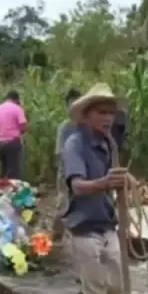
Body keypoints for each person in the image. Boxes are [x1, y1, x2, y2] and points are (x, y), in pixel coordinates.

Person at [60, 83, 133, 294]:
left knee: (115, 285)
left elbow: (115, 177)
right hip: (83, 225)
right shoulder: (75, 144)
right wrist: (104, 183)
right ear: (86, 115)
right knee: (95, 292)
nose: (108, 118)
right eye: (101, 112)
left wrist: (125, 181)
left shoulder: (107, 143)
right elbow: (77, 186)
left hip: (105, 221)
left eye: (111, 113)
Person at [52, 87, 82, 239]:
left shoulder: (86, 126)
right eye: (71, 105)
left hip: (83, 174)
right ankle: (56, 235)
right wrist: (65, 174)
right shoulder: (65, 127)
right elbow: (59, 153)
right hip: (66, 172)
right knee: (63, 204)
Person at [0, 91, 27, 180]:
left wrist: (0, 131)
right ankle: (13, 192)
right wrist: (20, 132)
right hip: (13, 142)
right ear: (16, 99)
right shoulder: (17, 108)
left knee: (4, 170)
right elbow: (23, 125)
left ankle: (5, 190)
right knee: (14, 170)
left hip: (0, 143)